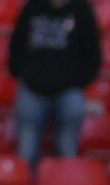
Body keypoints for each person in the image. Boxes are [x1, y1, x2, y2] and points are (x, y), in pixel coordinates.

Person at [7, 0, 101, 166]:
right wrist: (22, 74)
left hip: (69, 92)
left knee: (67, 153)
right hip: (32, 90)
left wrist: (79, 82)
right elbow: (16, 45)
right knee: (26, 154)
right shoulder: (32, 8)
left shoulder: (82, 10)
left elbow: (93, 53)